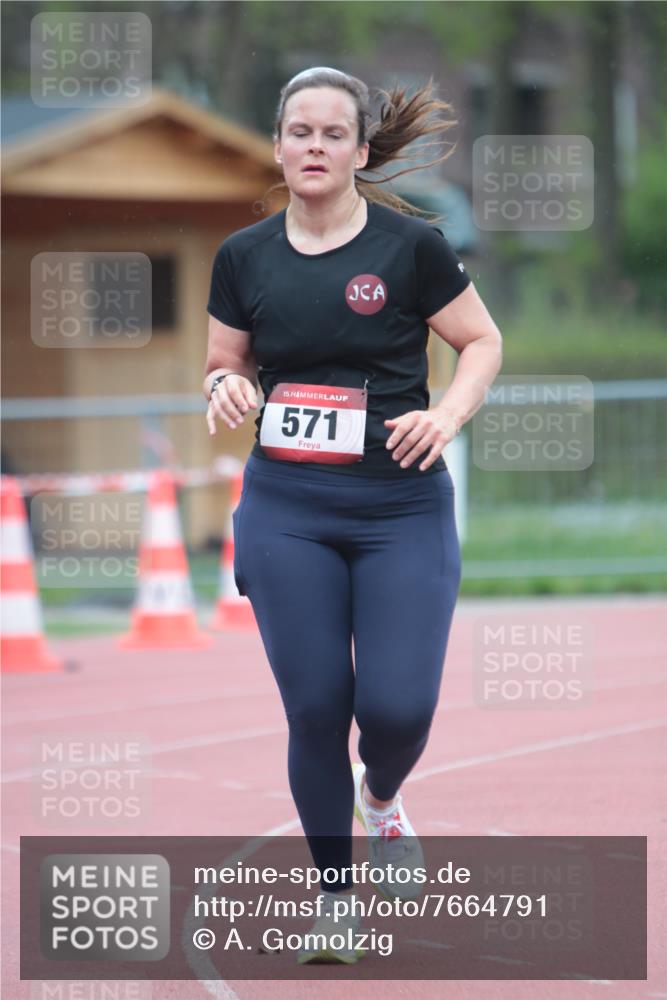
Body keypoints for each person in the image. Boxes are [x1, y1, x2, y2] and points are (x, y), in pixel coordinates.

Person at [204, 66, 502, 964]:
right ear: (278, 144)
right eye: (299, 132)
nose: (314, 148)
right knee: (315, 708)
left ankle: (382, 797)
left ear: (360, 151)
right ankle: (336, 900)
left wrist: (445, 416)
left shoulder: (411, 249)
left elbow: (481, 342)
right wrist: (223, 387)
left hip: (398, 502)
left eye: (333, 135)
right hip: (288, 504)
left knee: (397, 706)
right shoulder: (243, 255)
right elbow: (225, 361)